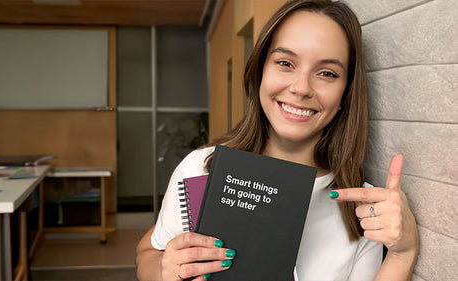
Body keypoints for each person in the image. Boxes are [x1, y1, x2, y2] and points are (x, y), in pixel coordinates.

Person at [136, 0, 420, 280]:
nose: (301, 88)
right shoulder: (201, 168)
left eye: (327, 73)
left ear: (346, 93)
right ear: (260, 71)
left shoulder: (363, 207)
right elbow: (149, 253)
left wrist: (403, 252)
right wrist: (164, 271)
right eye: (285, 63)